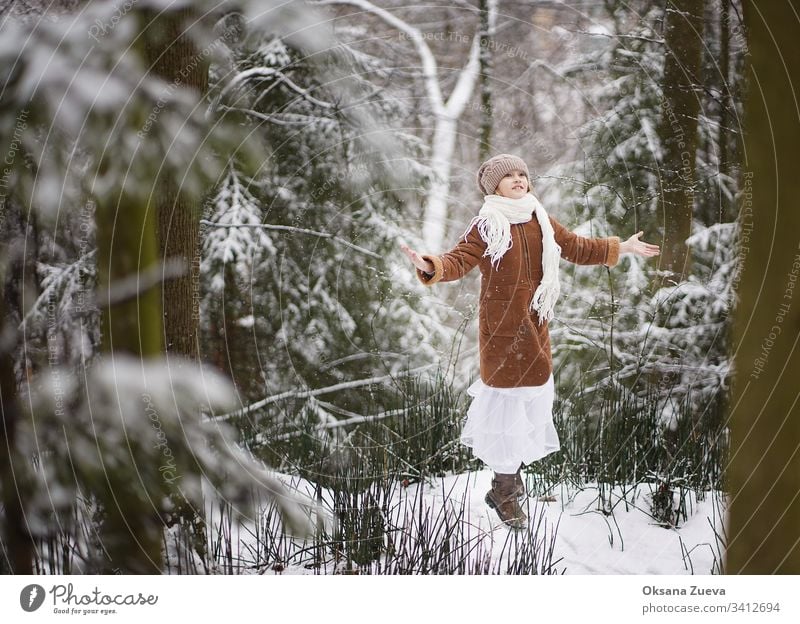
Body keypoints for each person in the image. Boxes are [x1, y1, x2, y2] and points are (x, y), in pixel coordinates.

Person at [400, 153, 660, 529]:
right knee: (506, 408)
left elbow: (575, 247)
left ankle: (507, 483)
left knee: (533, 402)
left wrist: (623, 247)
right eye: (510, 177)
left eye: (523, 173)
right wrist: (431, 266)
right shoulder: (486, 223)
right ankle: (504, 491)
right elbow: (459, 259)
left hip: (536, 325)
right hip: (502, 332)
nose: (519, 179)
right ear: (494, 187)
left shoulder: (540, 218)